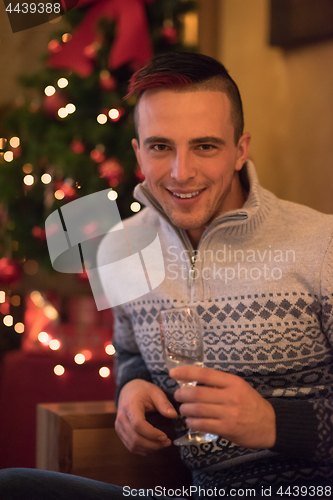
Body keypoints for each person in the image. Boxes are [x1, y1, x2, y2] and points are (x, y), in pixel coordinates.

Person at [0, 52, 332, 499]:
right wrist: (131, 386)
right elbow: (130, 353)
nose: (181, 172)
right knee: (15, 487)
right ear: (138, 152)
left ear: (240, 150)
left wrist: (275, 424)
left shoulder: (322, 245)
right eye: (161, 147)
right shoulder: (119, 246)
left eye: (205, 146)